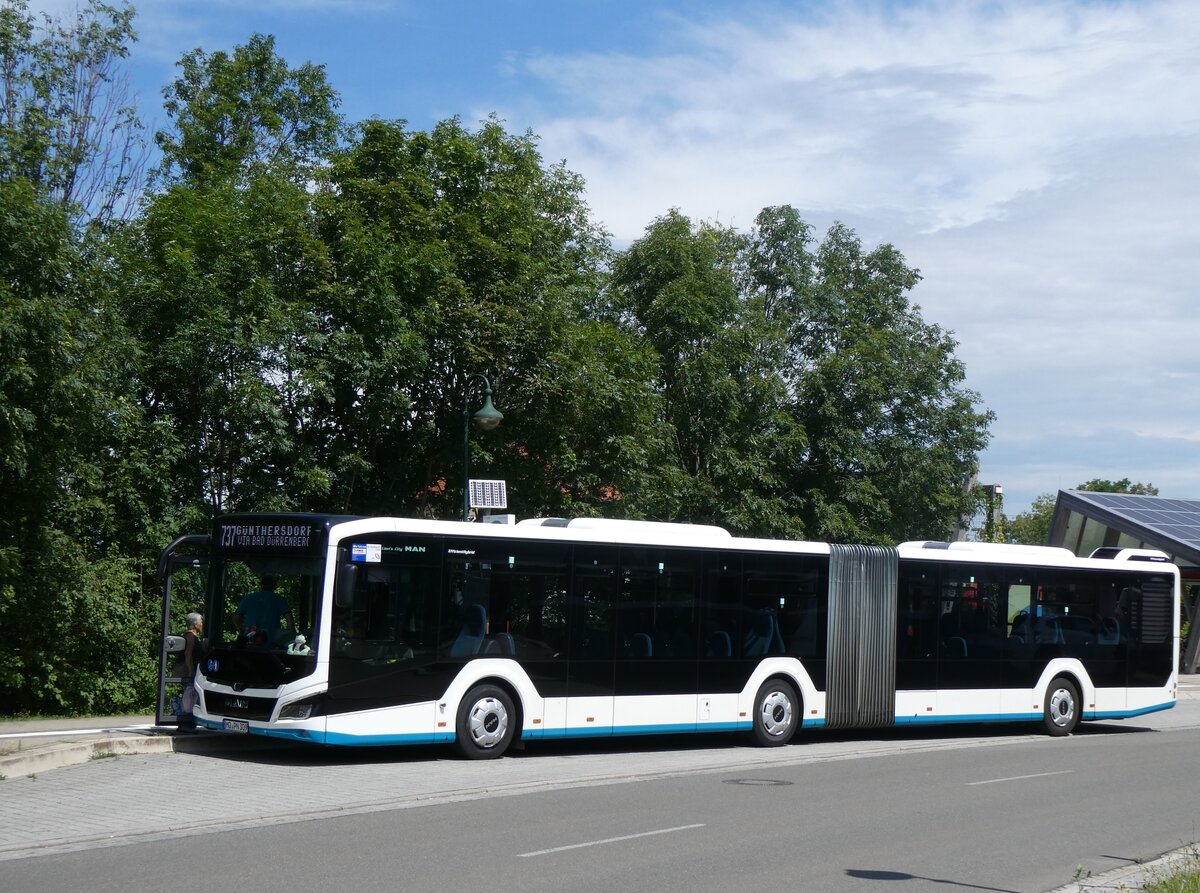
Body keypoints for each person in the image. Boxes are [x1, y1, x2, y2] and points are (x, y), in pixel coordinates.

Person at [234, 575, 294, 644]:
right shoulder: (279, 599)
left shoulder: (248, 598)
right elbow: (289, 619)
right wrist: (290, 637)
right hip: (271, 640)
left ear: (261, 585)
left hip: (250, 639)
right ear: (274, 585)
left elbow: (236, 618)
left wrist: (241, 631)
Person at [178, 612, 203, 731]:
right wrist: (190, 672)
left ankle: (187, 722)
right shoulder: (191, 638)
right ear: (195, 624)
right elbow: (188, 656)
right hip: (190, 672)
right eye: (201, 622)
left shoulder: (186, 637)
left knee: (189, 695)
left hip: (188, 671)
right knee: (189, 696)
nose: (202, 624)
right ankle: (186, 722)